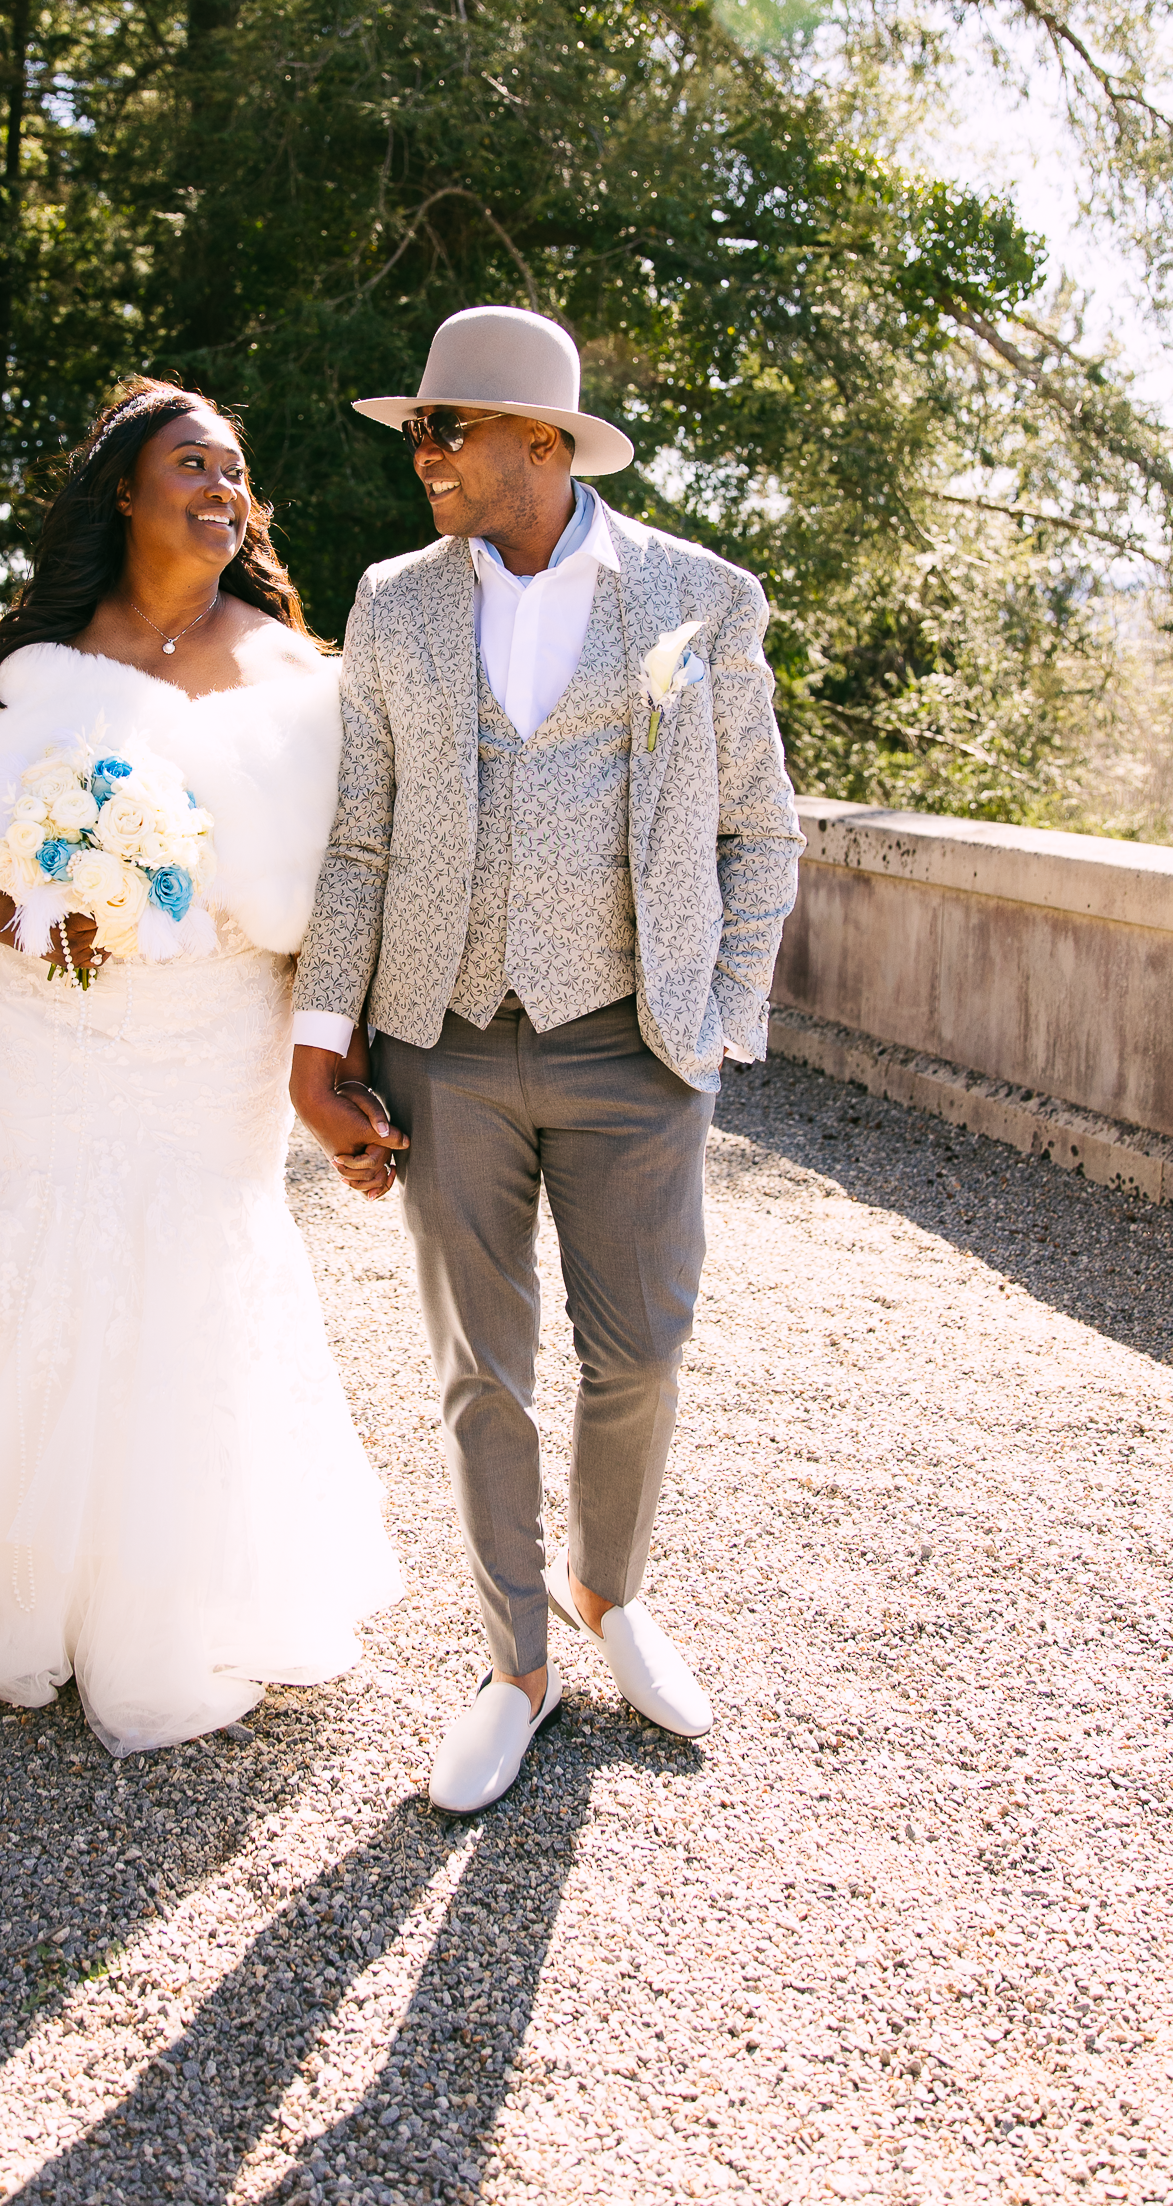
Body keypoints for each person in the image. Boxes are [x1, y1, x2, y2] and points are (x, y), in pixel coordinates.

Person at [0, 380, 402, 1755]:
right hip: (47, 1027)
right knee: (42, 1250)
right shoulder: (6, 658)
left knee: (196, 1260)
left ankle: (170, 1603)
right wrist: (32, 909)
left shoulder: (301, 678)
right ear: (123, 488)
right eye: (191, 464)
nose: (223, 489)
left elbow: (338, 889)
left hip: (214, 1029)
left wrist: (327, 1060)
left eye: (237, 469)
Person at [289, 305, 802, 1814]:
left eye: (445, 431)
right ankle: (518, 1664)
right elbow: (360, 842)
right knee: (479, 1376)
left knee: (639, 1352)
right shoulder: (390, 605)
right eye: (418, 431)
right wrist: (323, 1048)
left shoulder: (697, 599)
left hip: (632, 1047)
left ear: (542, 443)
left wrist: (716, 1022)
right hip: (440, 1045)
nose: (422, 456)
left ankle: (609, 1591)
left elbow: (758, 830)